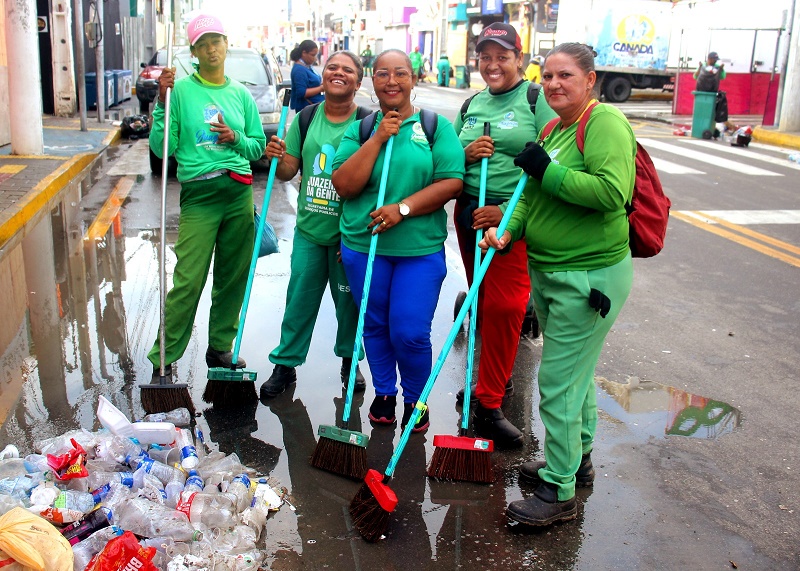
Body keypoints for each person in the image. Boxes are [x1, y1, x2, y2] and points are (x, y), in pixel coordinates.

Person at [482, 42, 635, 526]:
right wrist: (508, 231)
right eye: (546, 76)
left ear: (590, 80)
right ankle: (576, 460)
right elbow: (529, 195)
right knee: (576, 378)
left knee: (558, 383)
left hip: (588, 278)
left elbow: (612, 192)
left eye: (564, 75)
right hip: (550, 273)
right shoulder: (553, 129)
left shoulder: (604, 123)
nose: (552, 84)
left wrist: (549, 170)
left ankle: (558, 492)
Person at [331, 49, 464, 432]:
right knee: (373, 324)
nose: (392, 81)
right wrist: (377, 139)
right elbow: (344, 185)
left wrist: (402, 209)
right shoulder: (361, 129)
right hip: (364, 247)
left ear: (413, 79)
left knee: (409, 332)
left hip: (418, 250)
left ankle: (416, 399)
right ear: (372, 81)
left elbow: (452, 182)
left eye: (400, 73)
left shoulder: (435, 127)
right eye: (383, 74)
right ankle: (385, 392)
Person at [453, 22, 557, 449]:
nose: (493, 64)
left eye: (503, 56)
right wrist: (465, 154)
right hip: (469, 213)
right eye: (485, 56)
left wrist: (507, 214)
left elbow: (555, 160)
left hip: (512, 215)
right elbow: (444, 161)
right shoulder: (471, 103)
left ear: (520, 59)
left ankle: (489, 403)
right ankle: (491, 380)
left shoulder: (536, 99)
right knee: (482, 301)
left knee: (506, 306)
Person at [147, 13, 266, 379]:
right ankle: (164, 357)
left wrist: (235, 138)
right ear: (194, 52)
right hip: (200, 195)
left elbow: (257, 147)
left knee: (233, 277)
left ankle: (219, 348)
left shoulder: (240, 94)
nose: (212, 49)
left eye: (217, 41)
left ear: (226, 44)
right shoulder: (180, 91)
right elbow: (162, 148)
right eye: (203, 44)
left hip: (238, 192)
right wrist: (161, 104)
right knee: (188, 279)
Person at [259, 51, 368, 399]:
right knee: (298, 302)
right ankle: (285, 364)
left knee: (349, 305)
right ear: (323, 75)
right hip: (309, 230)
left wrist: (356, 235)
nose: (338, 73)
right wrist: (275, 155)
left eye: (347, 70)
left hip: (348, 235)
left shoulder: (367, 123)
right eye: (332, 67)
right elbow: (288, 171)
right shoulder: (306, 118)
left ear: (358, 82)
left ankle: (350, 361)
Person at [290, 40, 325, 112]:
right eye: (312, 55)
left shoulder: (308, 66)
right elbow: (301, 93)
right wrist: (321, 88)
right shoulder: (299, 70)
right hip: (307, 110)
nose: (315, 58)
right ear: (304, 53)